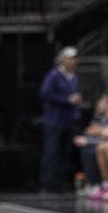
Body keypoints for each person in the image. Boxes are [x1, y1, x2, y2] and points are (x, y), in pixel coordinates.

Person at [39, 46, 81, 192]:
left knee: (64, 153)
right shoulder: (54, 75)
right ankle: (48, 184)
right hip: (54, 121)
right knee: (51, 152)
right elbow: (45, 94)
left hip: (68, 121)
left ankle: (60, 183)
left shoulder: (73, 77)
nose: (73, 61)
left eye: (75, 59)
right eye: (70, 58)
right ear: (63, 59)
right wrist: (66, 100)